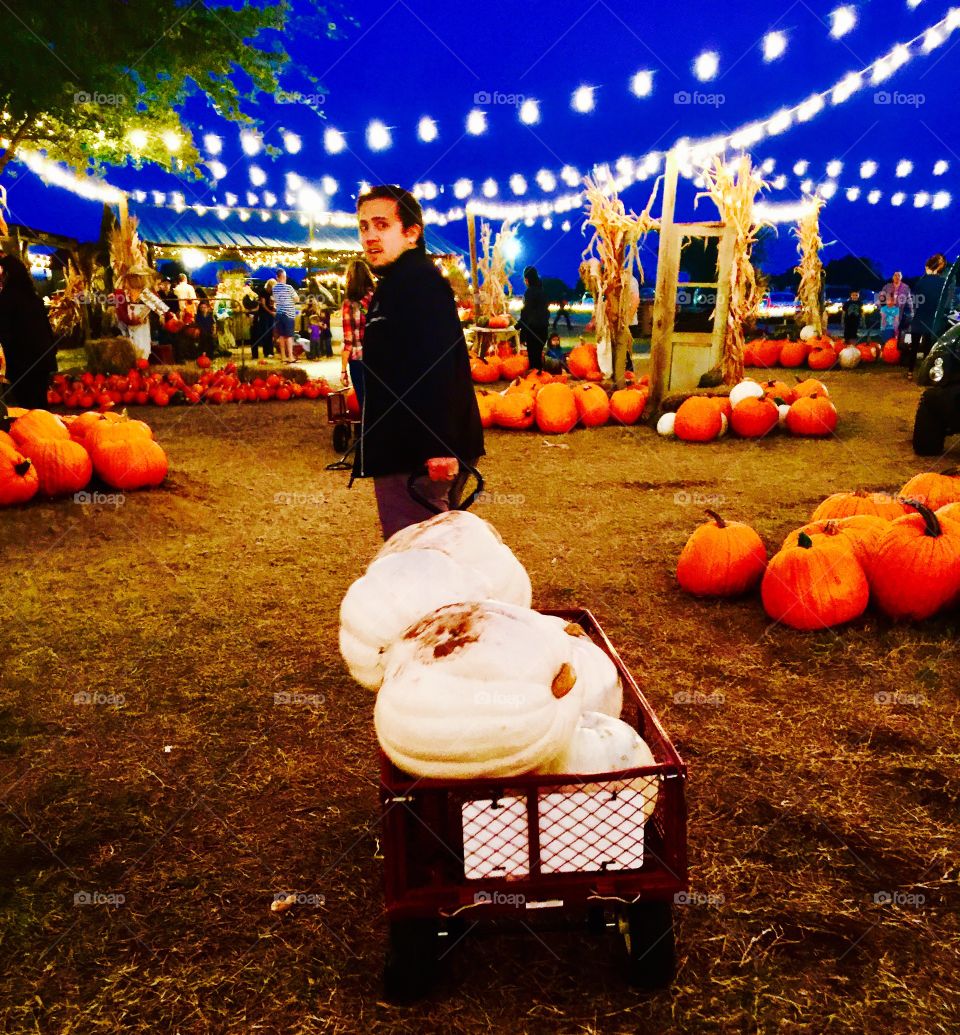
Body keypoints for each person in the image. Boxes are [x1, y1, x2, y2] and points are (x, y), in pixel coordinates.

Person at [352, 184, 484, 540]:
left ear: (411, 233)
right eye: (364, 226)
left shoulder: (418, 283)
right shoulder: (398, 283)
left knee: (417, 553)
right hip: (408, 448)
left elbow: (438, 367)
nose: (370, 236)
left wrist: (439, 446)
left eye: (382, 225)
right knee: (434, 550)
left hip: (416, 455)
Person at [0, 254, 59, 409]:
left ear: (7, 274)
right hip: (42, 357)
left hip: (23, 361)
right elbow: (46, 327)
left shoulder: (7, 298)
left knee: (28, 405)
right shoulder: (32, 296)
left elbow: (4, 331)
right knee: (40, 402)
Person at [905, 254, 950, 374]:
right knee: (928, 348)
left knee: (914, 347)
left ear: (928, 267)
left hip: (919, 318)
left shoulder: (921, 282)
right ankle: (925, 372)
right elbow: (945, 303)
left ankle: (910, 371)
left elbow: (915, 300)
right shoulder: (943, 283)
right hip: (932, 320)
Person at [340, 258, 376, 409]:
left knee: (364, 402)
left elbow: (349, 341)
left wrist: (343, 370)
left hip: (358, 359)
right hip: (379, 357)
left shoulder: (349, 304)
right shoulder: (377, 298)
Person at [518, 265, 549, 371]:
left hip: (533, 330)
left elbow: (526, 313)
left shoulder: (530, 292)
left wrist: (518, 326)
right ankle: (539, 376)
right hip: (543, 330)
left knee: (533, 359)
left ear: (527, 279)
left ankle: (535, 377)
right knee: (538, 357)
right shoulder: (542, 292)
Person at [272, 268, 299, 363]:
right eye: (285, 276)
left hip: (279, 314)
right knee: (289, 336)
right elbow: (297, 299)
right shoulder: (289, 287)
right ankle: (290, 356)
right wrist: (291, 300)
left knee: (281, 336)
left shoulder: (274, 288)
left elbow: (276, 300)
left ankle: (283, 356)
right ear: (282, 277)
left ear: (277, 277)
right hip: (288, 314)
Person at [250, 280, 276, 361]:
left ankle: (270, 351)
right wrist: (271, 312)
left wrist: (273, 310)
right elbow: (264, 305)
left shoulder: (272, 293)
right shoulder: (263, 292)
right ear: (269, 286)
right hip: (264, 315)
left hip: (270, 315)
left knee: (270, 333)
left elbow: (272, 304)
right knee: (266, 332)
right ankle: (266, 352)